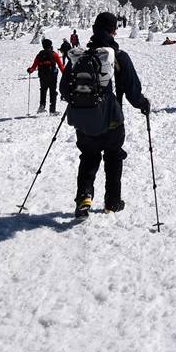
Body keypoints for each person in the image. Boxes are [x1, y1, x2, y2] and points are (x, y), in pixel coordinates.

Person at [60, 12, 150, 217]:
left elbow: (64, 89)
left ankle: (83, 197)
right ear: (113, 31)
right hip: (112, 121)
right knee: (113, 157)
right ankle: (112, 202)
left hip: (84, 122)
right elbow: (132, 90)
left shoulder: (78, 57)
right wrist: (143, 104)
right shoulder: (119, 57)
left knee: (89, 158)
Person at [26, 38, 66, 114]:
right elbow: (61, 66)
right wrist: (66, 74)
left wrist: (30, 70)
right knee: (53, 92)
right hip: (52, 76)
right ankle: (52, 110)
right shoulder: (54, 54)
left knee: (43, 90)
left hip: (42, 76)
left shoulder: (39, 55)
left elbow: (34, 66)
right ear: (50, 45)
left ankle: (42, 107)